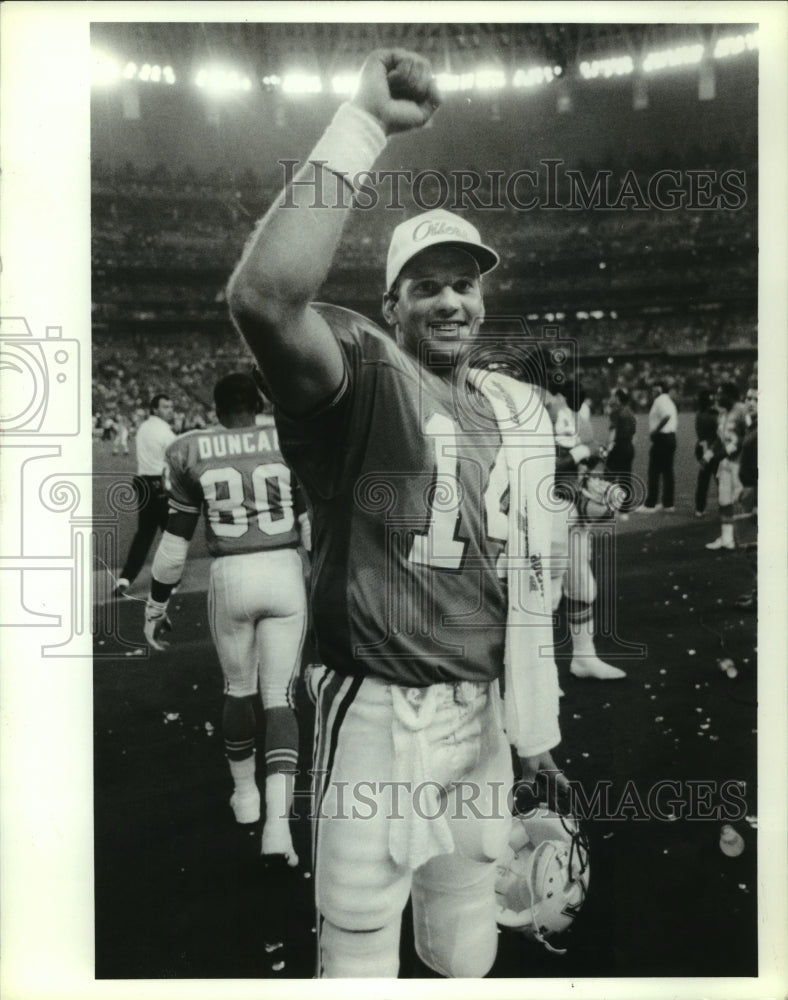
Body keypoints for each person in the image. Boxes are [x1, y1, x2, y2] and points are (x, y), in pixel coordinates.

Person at [226, 49, 565, 979]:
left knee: (466, 936)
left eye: (467, 282)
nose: (452, 298)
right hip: (374, 708)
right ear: (391, 302)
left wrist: (533, 730)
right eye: (428, 283)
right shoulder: (363, 377)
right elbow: (261, 298)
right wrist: (362, 124)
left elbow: (526, 582)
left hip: (482, 713)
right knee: (361, 939)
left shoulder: (511, 409)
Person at [143, 372, 310, 865]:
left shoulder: (190, 447)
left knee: (239, 689)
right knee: (281, 698)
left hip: (230, 576)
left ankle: (245, 799)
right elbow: (310, 527)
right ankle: (278, 829)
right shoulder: (288, 437)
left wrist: (156, 604)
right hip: (283, 569)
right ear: (258, 403)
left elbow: (174, 549)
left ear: (216, 410)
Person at [544, 379, 626, 681]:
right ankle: (540, 674)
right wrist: (574, 458)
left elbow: (594, 459)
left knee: (582, 585)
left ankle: (584, 657)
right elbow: (534, 467)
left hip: (573, 509)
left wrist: (591, 481)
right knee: (545, 595)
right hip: (544, 509)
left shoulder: (576, 417)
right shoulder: (532, 411)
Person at [114, 393, 176, 596]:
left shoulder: (144, 427)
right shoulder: (165, 433)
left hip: (142, 483)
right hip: (160, 486)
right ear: (155, 409)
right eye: (165, 407)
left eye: (171, 406)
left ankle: (125, 578)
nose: (170, 410)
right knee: (172, 535)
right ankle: (170, 581)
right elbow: (176, 460)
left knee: (144, 534)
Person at [704, 381, 747, 551]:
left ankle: (747, 537)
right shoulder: (722, 414)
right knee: (724, 501)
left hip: (740, 463)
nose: (718, 396)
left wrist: (730, 450)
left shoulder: (742, 410)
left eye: (721, 393)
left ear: (731, 395)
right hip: (726, 463)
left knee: (742, 501)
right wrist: (708, 456)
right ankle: (727, 538)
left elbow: (749, 436)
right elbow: (718, 440)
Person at [637, 378, 678, 513]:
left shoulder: (660, 400)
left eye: (655, 389)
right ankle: (668, 503)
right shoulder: (668, 401)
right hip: (670, 437)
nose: (653, 392)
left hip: (662, 438)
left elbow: (666, 416)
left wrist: (655, 430)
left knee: (654, 471)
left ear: (659, 389)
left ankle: (650, 504)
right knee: (667, 472)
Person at [734, 383, 758, 608]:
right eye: (748, 398)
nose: (750, 403)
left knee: (755, 547)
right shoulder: (754, 426)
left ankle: (761, 597)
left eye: (756, 399)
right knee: (753, 546)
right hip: (750, 490)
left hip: (757, 493)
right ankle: (758, 593)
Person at [606, 388, 637, 520]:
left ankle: (609, 509)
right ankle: (625, 510)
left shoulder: (616, 412)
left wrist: (608, 448)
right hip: (629, 446)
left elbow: (613, 431)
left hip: (618, 447)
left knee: (609, 477)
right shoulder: (630, 412)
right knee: (626, 478)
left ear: (618, 399)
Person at [693, 387, 718, 517]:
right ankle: (723, 506)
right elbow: (718, 433)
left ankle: (699, 508)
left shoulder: (699, 414)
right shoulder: (714, 414)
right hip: (713, 448)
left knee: (703, 480)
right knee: (719, 479)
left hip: (702, 447)